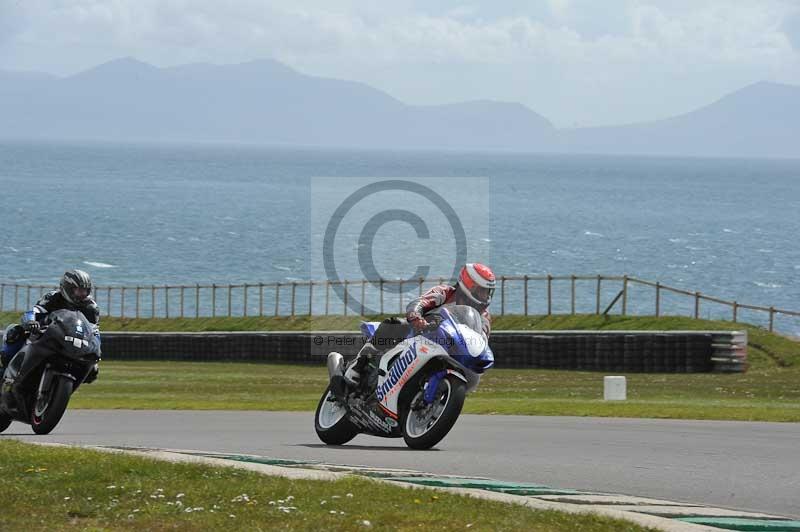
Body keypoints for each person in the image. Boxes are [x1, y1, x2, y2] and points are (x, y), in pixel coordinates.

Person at [344, 263, 495, 386]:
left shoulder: (484, 317)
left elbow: (481, 341)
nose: (485, 296)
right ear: (470, 286)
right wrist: (416, 317)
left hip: (450, 351)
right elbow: (420, 303)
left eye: (488, 292)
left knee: (474, 376)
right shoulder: (445, 293)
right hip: (420, 335)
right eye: (482, 291)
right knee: (395, 324)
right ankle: (357, 365)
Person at [1, 270, 100, 382]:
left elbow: (94, 332)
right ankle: (5, 371)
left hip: (72, 342)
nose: (82, 294)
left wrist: (96, 353)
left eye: (85, 291)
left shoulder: (91, 307)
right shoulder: (52, 297)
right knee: (14, 332)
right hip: (45, 335)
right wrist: (30, 322)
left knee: (93, 372)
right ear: (68, 288)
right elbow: (33, 312)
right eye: (79, 290)